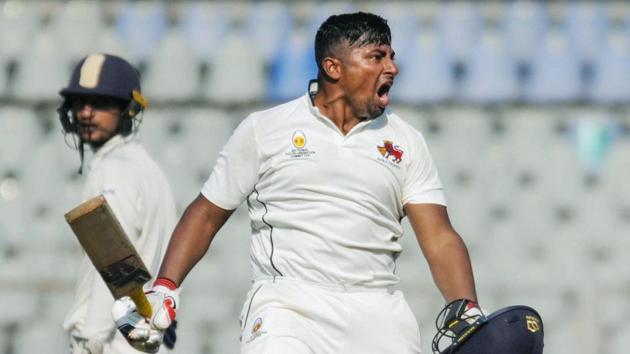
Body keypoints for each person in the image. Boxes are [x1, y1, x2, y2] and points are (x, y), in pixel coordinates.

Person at [113, 12, 482, 354]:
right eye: (377, 57)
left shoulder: (406, 141)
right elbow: (207, 212)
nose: (393, 67)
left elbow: (438, 236)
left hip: (379, 311)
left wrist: (465, 307)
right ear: (333, 67)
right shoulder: (265, 130)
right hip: (289, 306)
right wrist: (166, 287)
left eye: (391, 56)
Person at [58, 53, 177, 354]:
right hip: (145, 339)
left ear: (129, 108)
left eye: (100, 103)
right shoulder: (141, 165)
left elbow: (114, 261)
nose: (86, 113)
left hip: (116, 341)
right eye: (79, 102)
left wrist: (91, 338)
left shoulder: (115, 170)